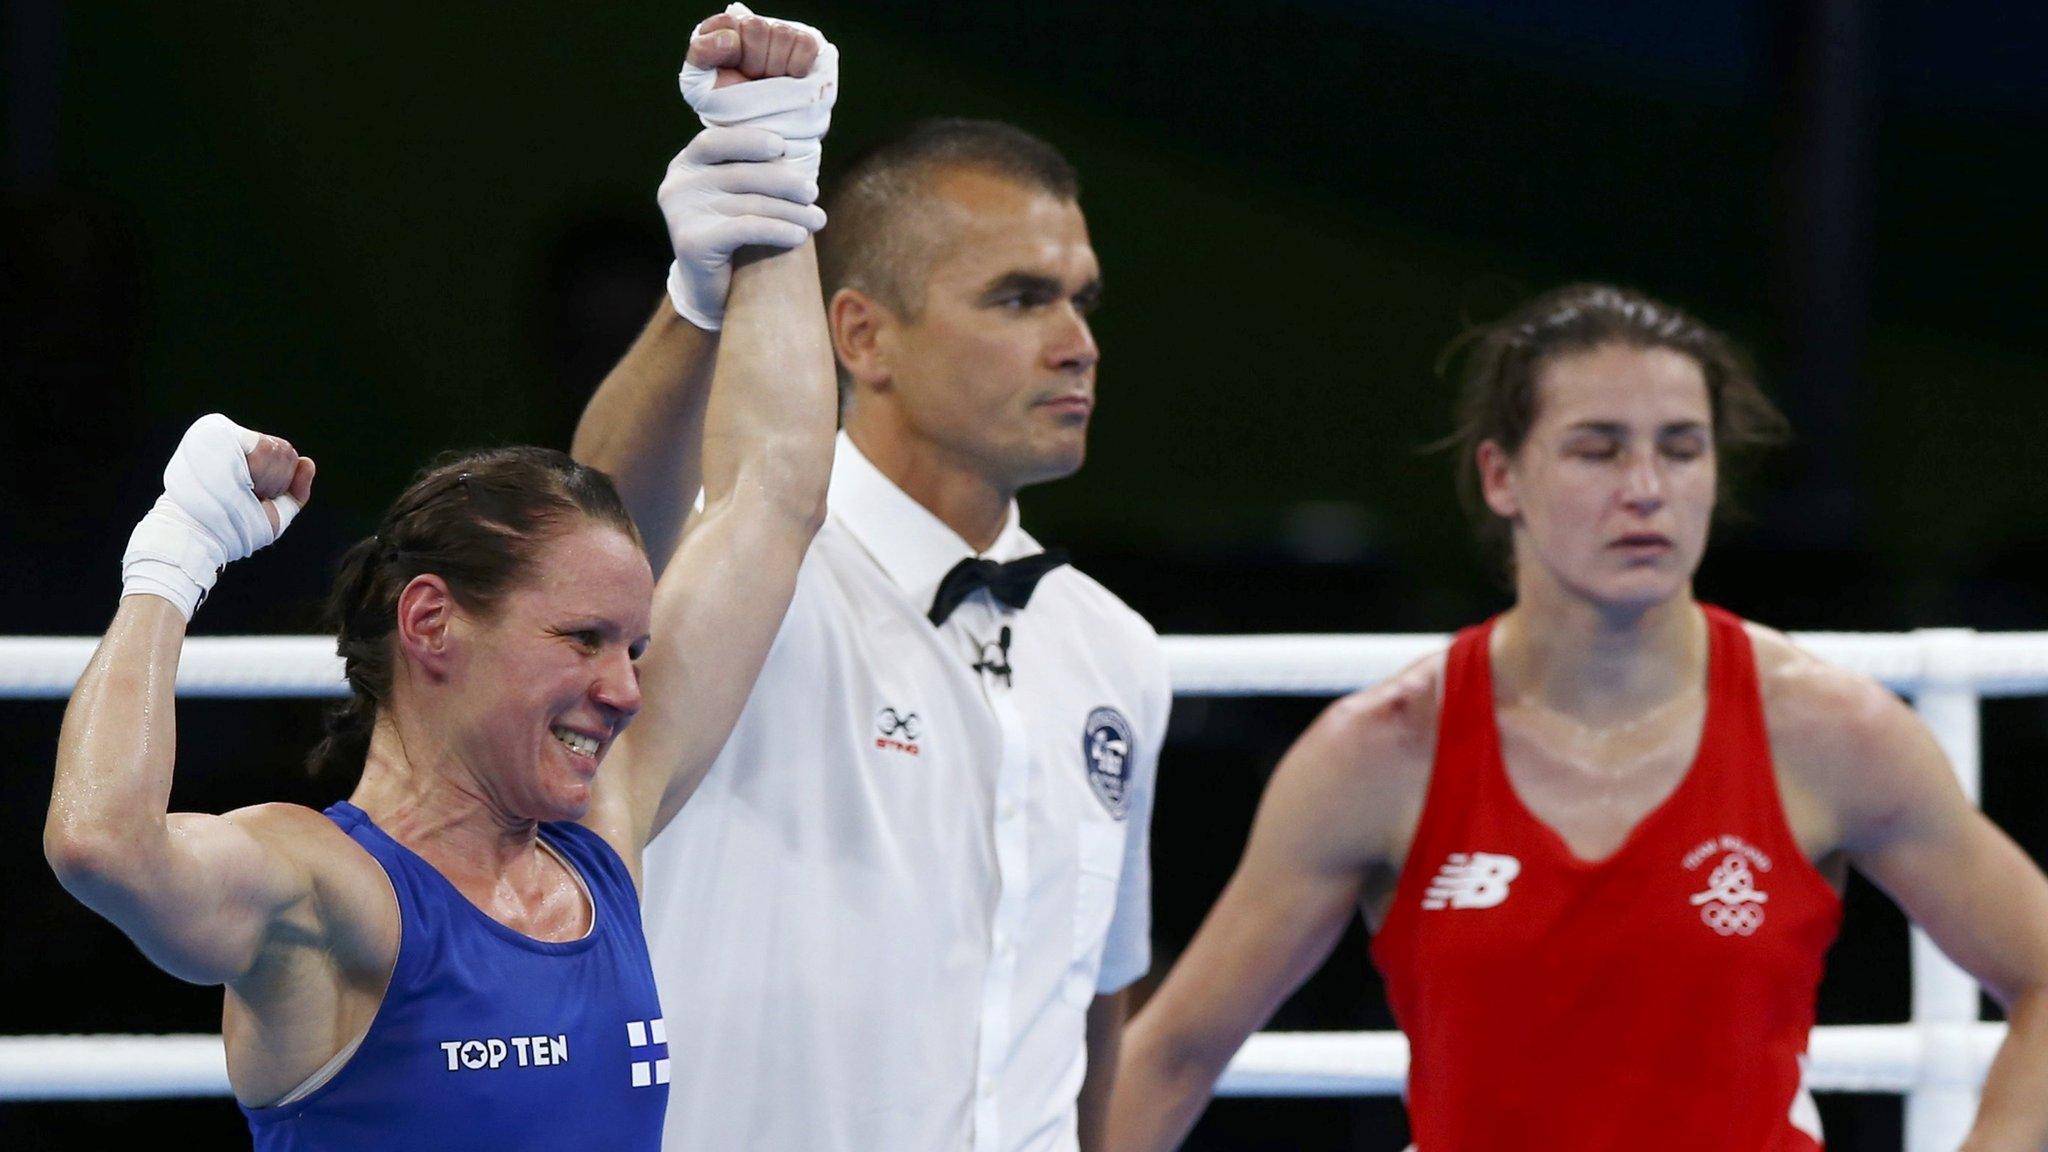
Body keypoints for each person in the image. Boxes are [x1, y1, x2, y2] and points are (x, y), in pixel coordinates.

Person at [41, 20, 837, 1147]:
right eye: (582, 641)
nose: (624, 689)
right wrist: (170, 564)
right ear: (432, 625)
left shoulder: (597, 840)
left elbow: (773, 494)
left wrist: (773, 174)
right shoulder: (329, 895)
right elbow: (100, 845)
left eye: (633, 647)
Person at [1108, 283, 2048, 1151]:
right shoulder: (1386, 752)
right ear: (1501, 476)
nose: (1646, 487)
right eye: (1598, 448)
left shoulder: (1830, 733)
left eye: (1681, 448)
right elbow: (1177, 1052)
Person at [573, 21, 1169, 1152]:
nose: (1076, 342)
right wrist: (696, 301)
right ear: (863, 336)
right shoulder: (750, 575)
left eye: (1081, 300)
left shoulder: (1114, 649)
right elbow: (596, 531)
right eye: (1018, 298)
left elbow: (1090, 1002)